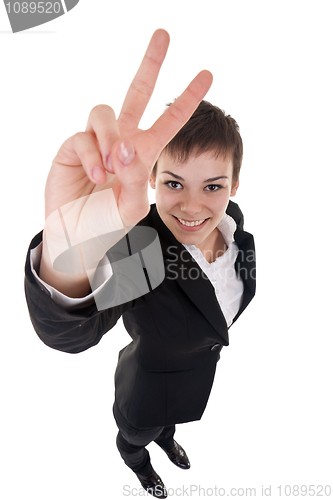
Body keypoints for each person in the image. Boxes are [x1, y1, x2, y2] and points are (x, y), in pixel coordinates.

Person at [24, 30, 256, 498]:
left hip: (195, 382)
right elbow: (69, 334)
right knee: (137, 436)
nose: (193, 206)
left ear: (234, 186)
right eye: (174, 184)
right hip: (144, 390)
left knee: (167, 425)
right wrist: (69, 253)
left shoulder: (236, 226)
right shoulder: (142, 252)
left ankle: (167, 439)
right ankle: (139, 463)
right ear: (152, 178)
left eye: (212, 186)